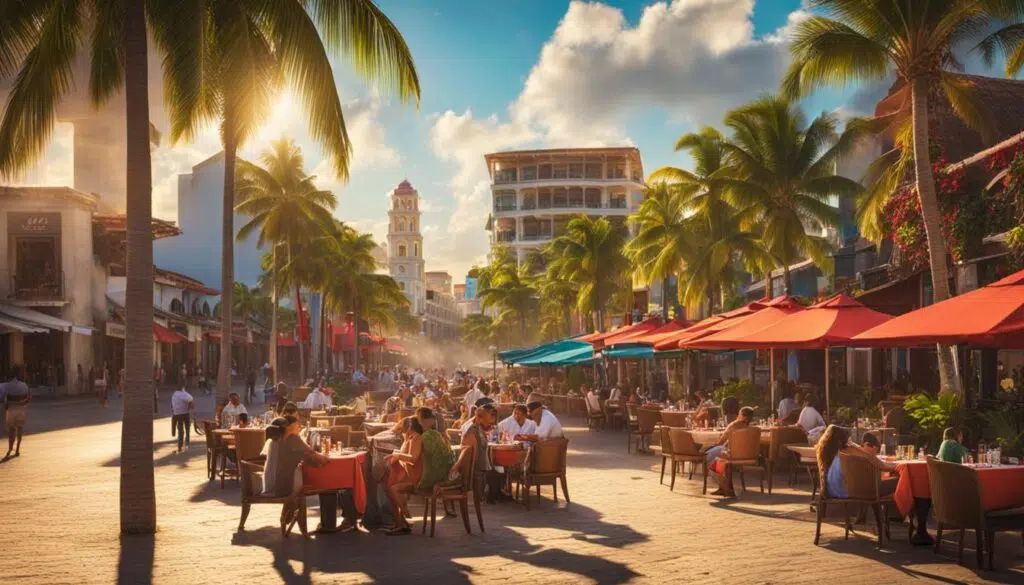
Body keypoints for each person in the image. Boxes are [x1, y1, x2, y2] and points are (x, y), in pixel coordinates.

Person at [817, 426, 898, 500]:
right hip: (853, 492)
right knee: (899, 481)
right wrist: (898, 465)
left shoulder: (826, 455)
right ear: (844, 439)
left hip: (832, 492)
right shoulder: (847, 450)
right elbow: (879, 464)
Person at [383, 418, 426, 535]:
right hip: (408, 475)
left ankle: (404, 516)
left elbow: (413, 458)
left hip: (415, 479)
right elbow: (403, 452)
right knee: (389, 486)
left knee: (393, 489)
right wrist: (395, 454)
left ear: (410, 428)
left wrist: (398, 455)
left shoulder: (417, 438)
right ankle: (400, 522)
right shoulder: (410, 438)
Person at [703, 406, 755, 497]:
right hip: (747, 455)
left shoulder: (733, 425)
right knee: (717, 456)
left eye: (739, 414)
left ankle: (726, 487)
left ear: (742, 415)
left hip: (732, 454)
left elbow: (721, 441)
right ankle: (723, 488)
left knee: (710, 457)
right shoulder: (753, 429)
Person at [3, 367, 30, 459]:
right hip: (21, 411)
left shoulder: (7, 386)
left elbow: (5, 401)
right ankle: (17, 449)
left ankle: (10, 449)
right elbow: (28, 399)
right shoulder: (24, 385)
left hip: (11, 411)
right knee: (20, 430)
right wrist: (21, 403)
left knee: (11, 431)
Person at [170, 386, 194, 453]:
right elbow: (191, 400)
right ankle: (187, 443)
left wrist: (174, 410)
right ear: (183, 388)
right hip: (185, 413)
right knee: (187, 428)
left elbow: (171, 405)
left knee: (180, 430)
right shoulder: (184, 393)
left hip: (176, 414)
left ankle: (179, 446)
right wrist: (190, 407)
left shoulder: (174, 394)